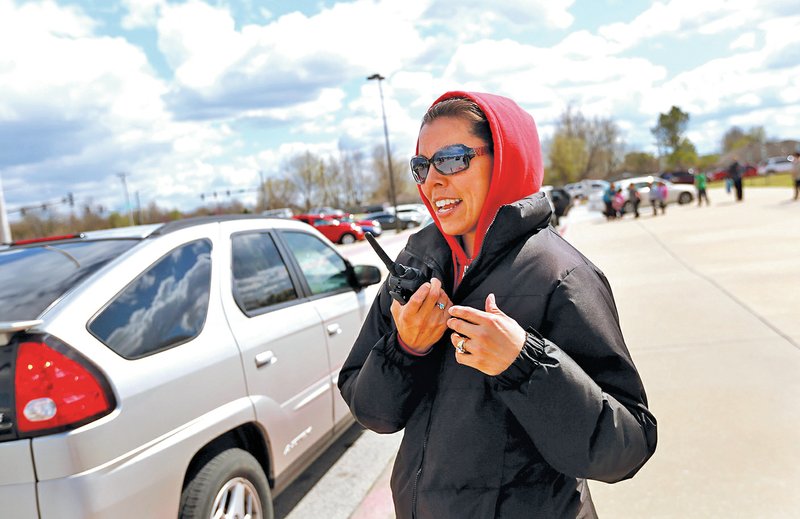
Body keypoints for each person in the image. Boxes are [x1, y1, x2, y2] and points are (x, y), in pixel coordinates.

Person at [338, 92, 657, 519]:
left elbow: (627, 447)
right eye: (421, 166)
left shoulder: (561, 275)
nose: (432, 181)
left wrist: (524, 364)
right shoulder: (415, 263)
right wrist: (406, 348)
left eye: (452, 159)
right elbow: (372, 412)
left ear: (506, 159)